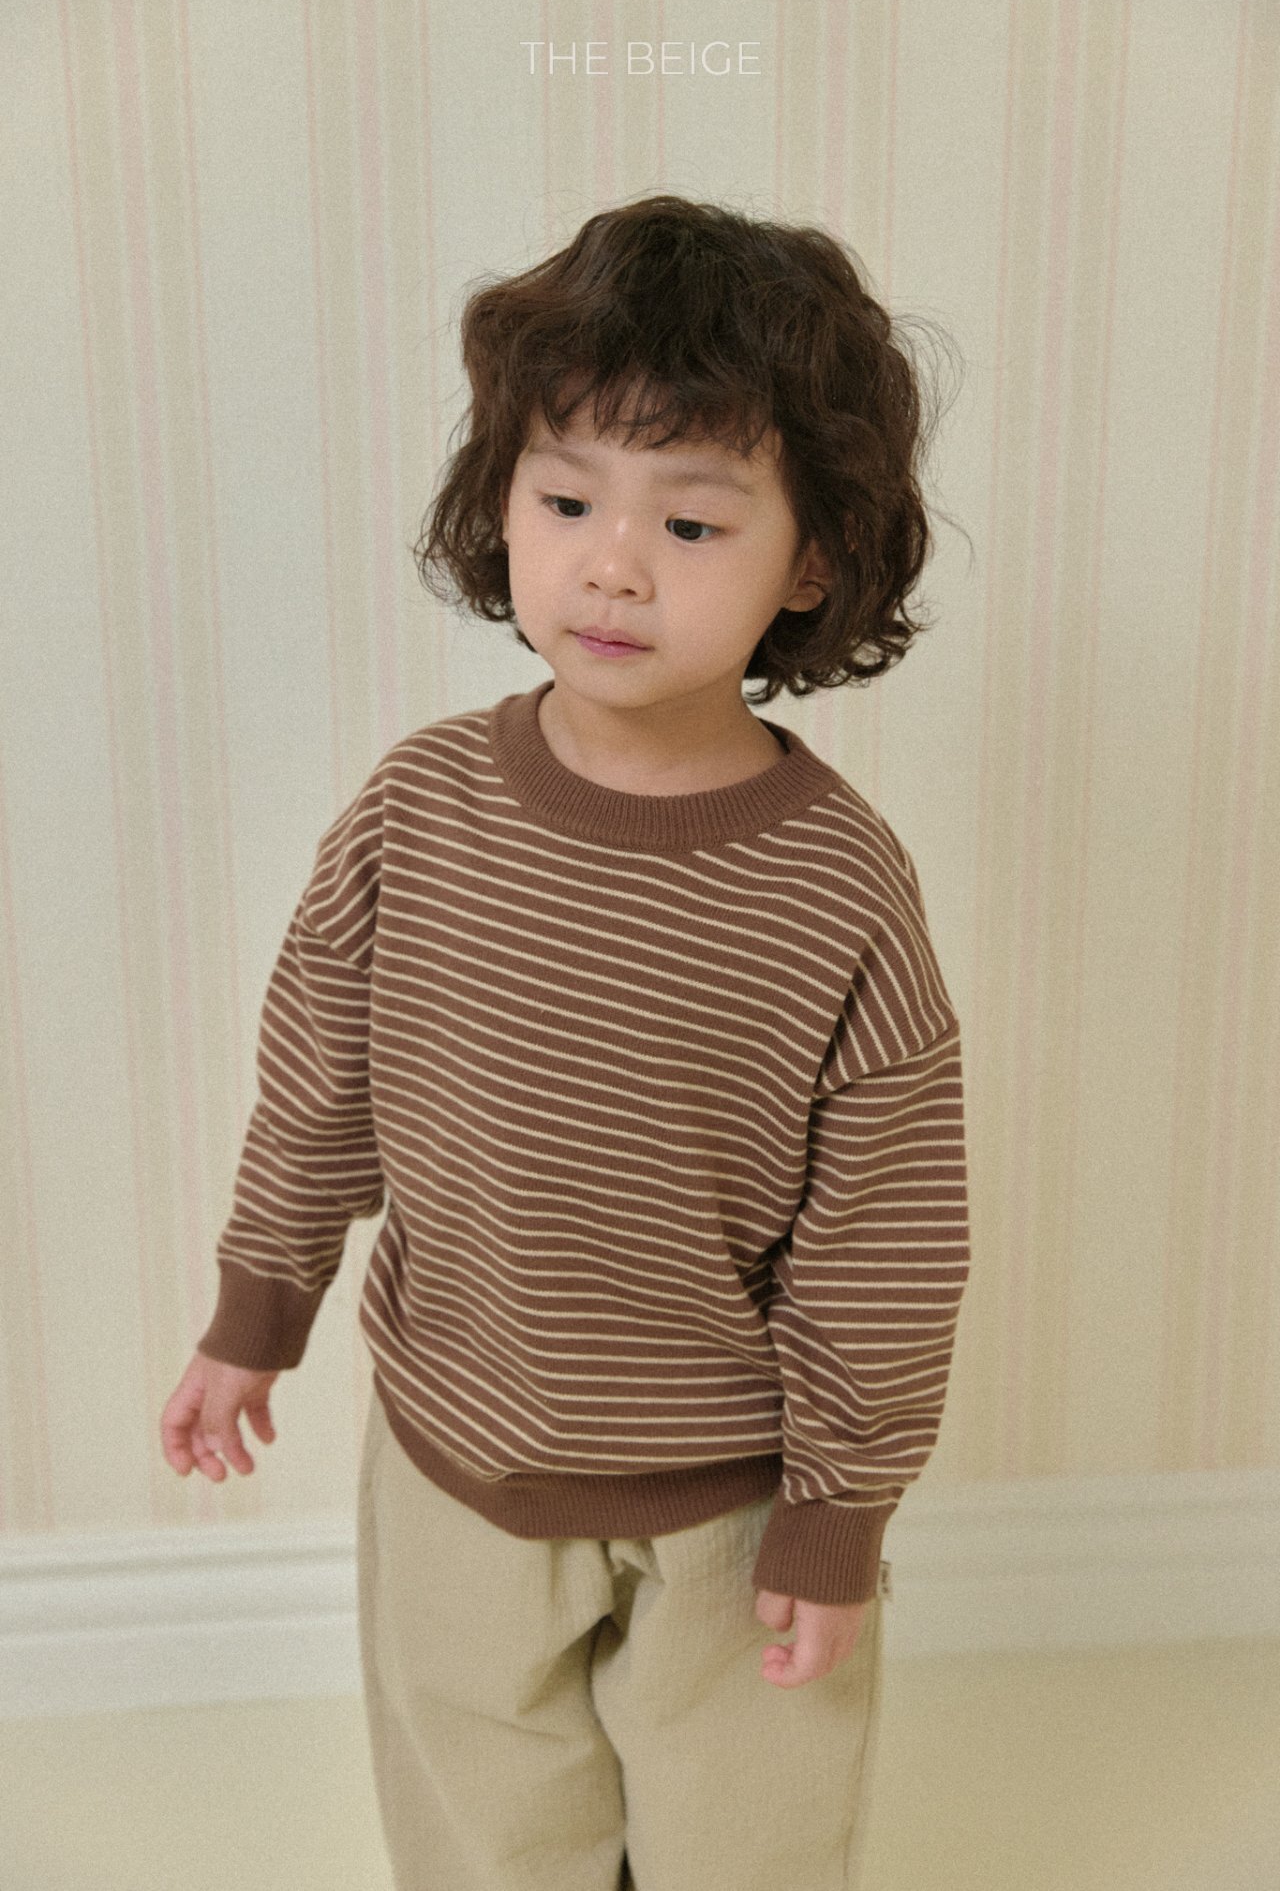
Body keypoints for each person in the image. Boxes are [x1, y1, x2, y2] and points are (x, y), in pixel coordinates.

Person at [161, 191, 971, 1891]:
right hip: (457, 1453)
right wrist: (258, 1309)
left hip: (734, 1491)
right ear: (502, 504)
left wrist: (839, 1512)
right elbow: (319, 1087)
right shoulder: (419, 813)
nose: (612, 563)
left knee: (750, 1840)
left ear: (812, 562)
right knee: (485, 1830)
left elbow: (883, 1230)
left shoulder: (836, 884)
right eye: (567, 499)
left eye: (693, 522)